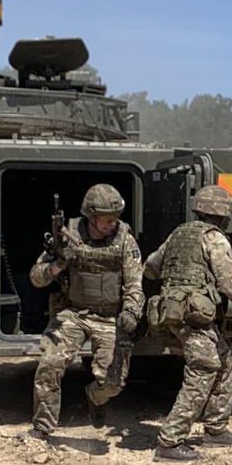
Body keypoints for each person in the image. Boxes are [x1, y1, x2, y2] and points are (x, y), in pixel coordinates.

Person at [20, 183, 143, 442]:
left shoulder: (124, 240)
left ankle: (94, 397)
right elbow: (36, 278)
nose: (112, 224)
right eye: (106, 220)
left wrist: (131, 312)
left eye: (115, 219)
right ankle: (42, 428)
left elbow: (134, 284)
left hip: (110, 317)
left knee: (112, 383)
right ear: (91, 216)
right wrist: (58, 264)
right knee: (49, 365)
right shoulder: (68, 236)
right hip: (73, 313)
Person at [144, 184, 232, 462]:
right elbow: (227, 280)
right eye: (228, 214)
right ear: (220, 214)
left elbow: (151, 267)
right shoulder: (215, 238)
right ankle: (169, 441)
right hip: (194, 315)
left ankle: (215, 429)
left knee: (226, 361)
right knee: (204, 368)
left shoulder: (178, 234)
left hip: (175, 312)